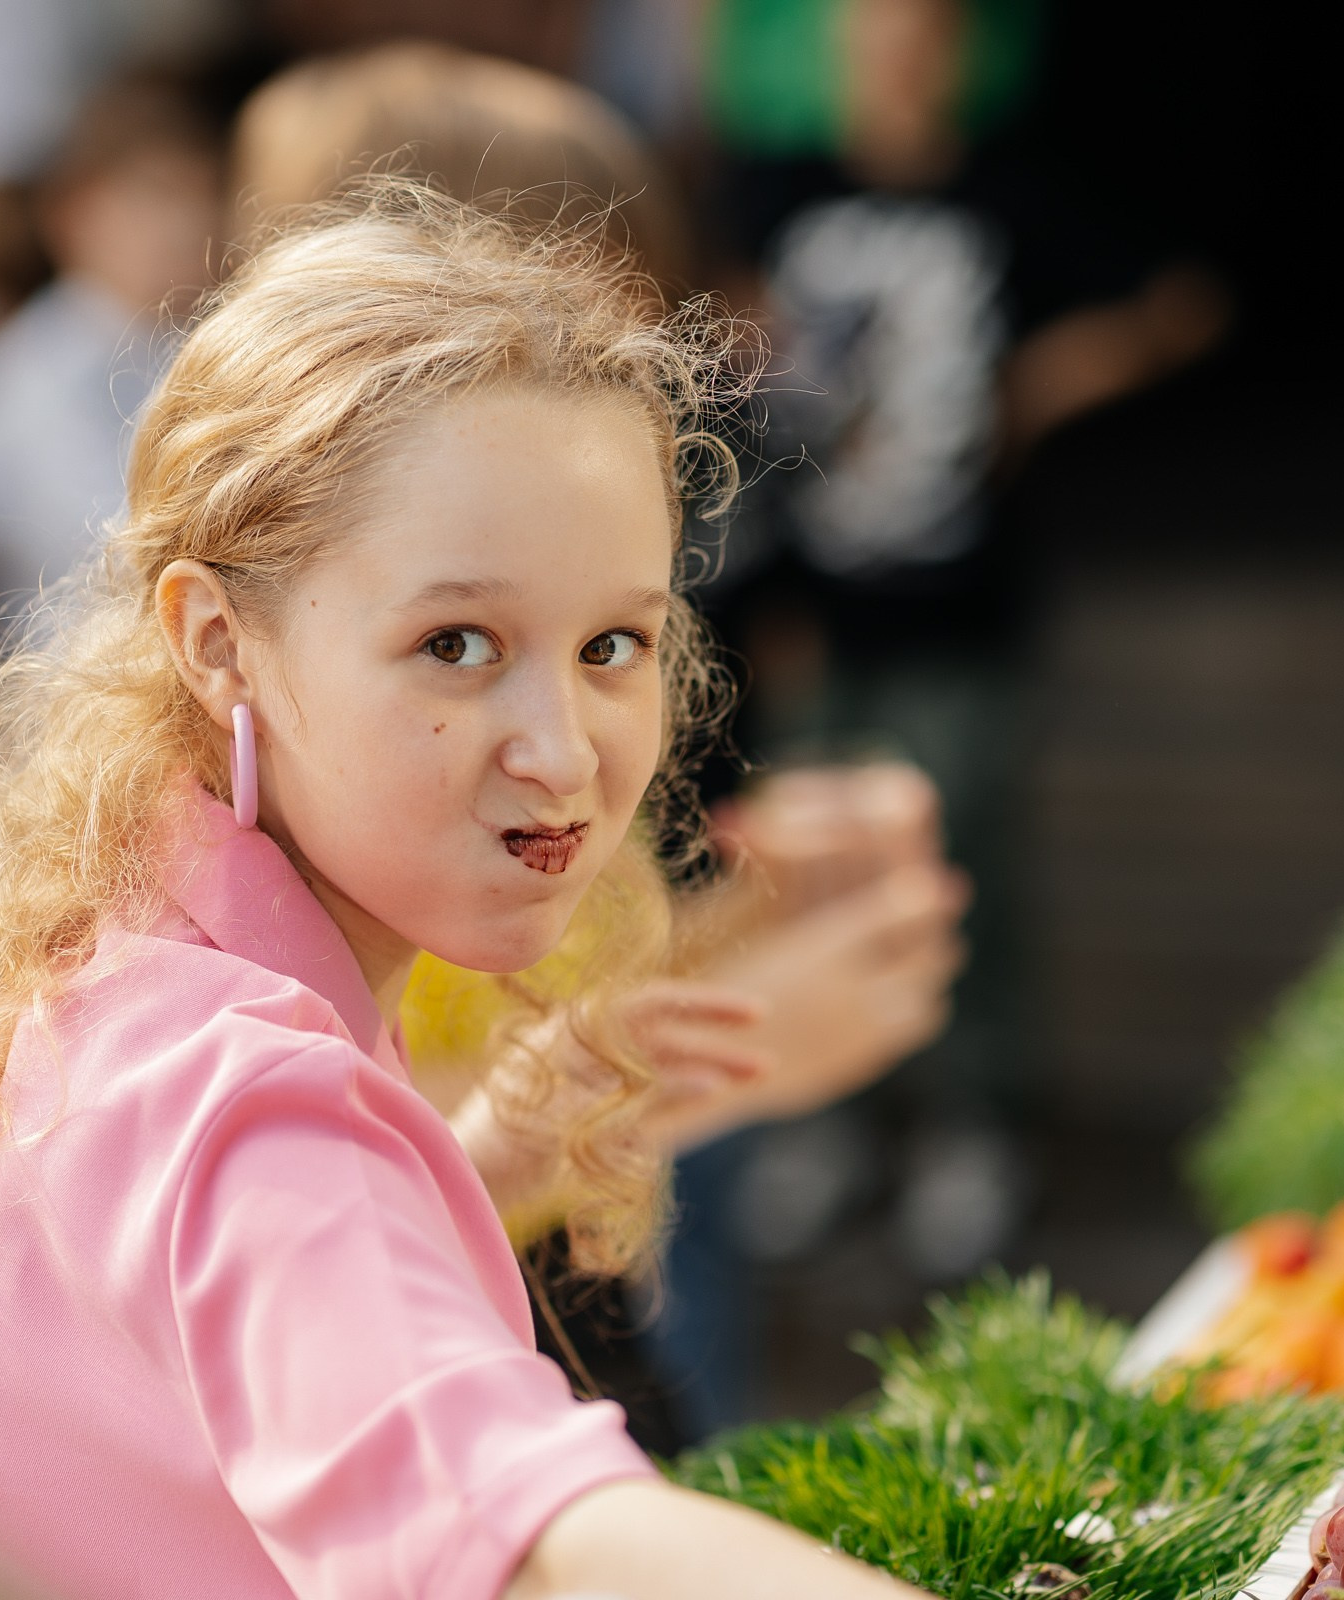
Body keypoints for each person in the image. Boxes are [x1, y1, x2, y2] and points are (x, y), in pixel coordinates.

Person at [0, 186, 921, 1600]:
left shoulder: (149, 973)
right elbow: (530, 1541)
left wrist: (466, 1166)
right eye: (456, 643)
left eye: (614, 644)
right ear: (219, 641)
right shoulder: (230, 1087)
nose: (565, 745)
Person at [228, 40, 968, 1441]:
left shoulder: (484, 684)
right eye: (588, 324)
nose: (641, 387)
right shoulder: (281, 774)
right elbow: (340, 1155)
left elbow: (559, 990)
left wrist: (772, 914)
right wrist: (739, 1050)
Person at [701, 0, 1225, 1280]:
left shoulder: (1012, 194)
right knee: (795, 866)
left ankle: (973, 1128)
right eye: (867, 33)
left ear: (956, 53)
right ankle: (820, 1119)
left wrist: (1041, 382)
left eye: (917, 33)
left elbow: (1179, 301)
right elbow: (717, 339)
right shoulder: (778, 191)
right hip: (813, 607)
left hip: (963, 607)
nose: (891, 57)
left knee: (959, 859)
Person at [0, 71, 223, 629]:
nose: (186, 225)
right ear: (76, 213)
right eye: (155, 196)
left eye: (202, 196)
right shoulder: (29, 377)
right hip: (74, 677)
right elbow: (108, 551)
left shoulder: (212, 339)